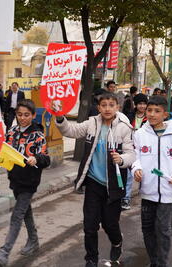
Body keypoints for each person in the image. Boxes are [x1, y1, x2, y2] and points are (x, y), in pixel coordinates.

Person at [54, 92, 135, 267]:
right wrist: (60, 117)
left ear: (117, 107)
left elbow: (131, 154)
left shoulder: (124, 127)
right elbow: (71, 131)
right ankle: (91, 259)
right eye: (103, 105)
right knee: (90, 225)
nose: (107, 108)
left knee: (109, 224)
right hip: (93, 183)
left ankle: (117, 241)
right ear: (98, 107)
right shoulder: (92, 123)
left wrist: (122, 160)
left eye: (111, 105)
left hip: (113, 185)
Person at [0, 99, 50, 267]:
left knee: (17, 215)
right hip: (15, 178)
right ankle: (34, 240)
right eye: (19, 115)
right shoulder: (12, 130)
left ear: (32, 115)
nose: (22, 118)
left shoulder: (38, 135)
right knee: (26, 211)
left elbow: (46, 158)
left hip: (29, 182)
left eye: (26, 115)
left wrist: (35, 158)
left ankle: (4, 252)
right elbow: (3, 149)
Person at [131, 96, 172, 267]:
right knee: (147, 229)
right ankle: (154, 261)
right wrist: (136, 169)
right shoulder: (140, 134)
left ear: (165, 114)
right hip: (147, 191)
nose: (152, 114)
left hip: (168, 191)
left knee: (163, 230)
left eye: (157, 111)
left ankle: (162, 263)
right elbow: (136, 156)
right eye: (149, 110)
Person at [121, 93, 148, 210]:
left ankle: (147, 198)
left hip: (145, 149)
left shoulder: (150, 117)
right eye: (139, 104)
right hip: (130, 148)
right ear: (135, 105)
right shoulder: (128, 116)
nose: (142, 106)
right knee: (128, 174)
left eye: (144, 104)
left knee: (144, 173)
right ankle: (126, 199)